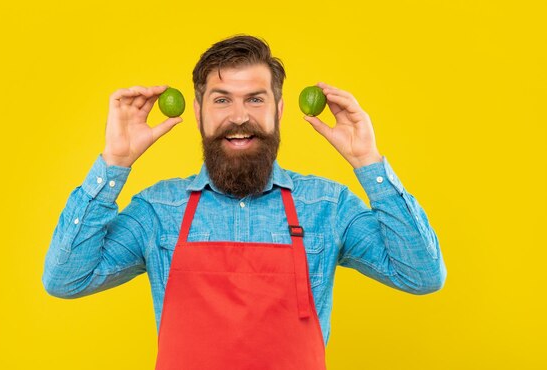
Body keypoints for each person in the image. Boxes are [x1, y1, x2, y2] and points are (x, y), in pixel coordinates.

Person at [42, 35, 446, 369]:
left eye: (255, 99)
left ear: (279, 110)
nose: (239, 117)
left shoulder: (327, 205)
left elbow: (421, 275)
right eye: (222, 100)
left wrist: (367, 162)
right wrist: (114, 163)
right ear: (198, 111)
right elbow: (65, 279)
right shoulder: (158, 210)